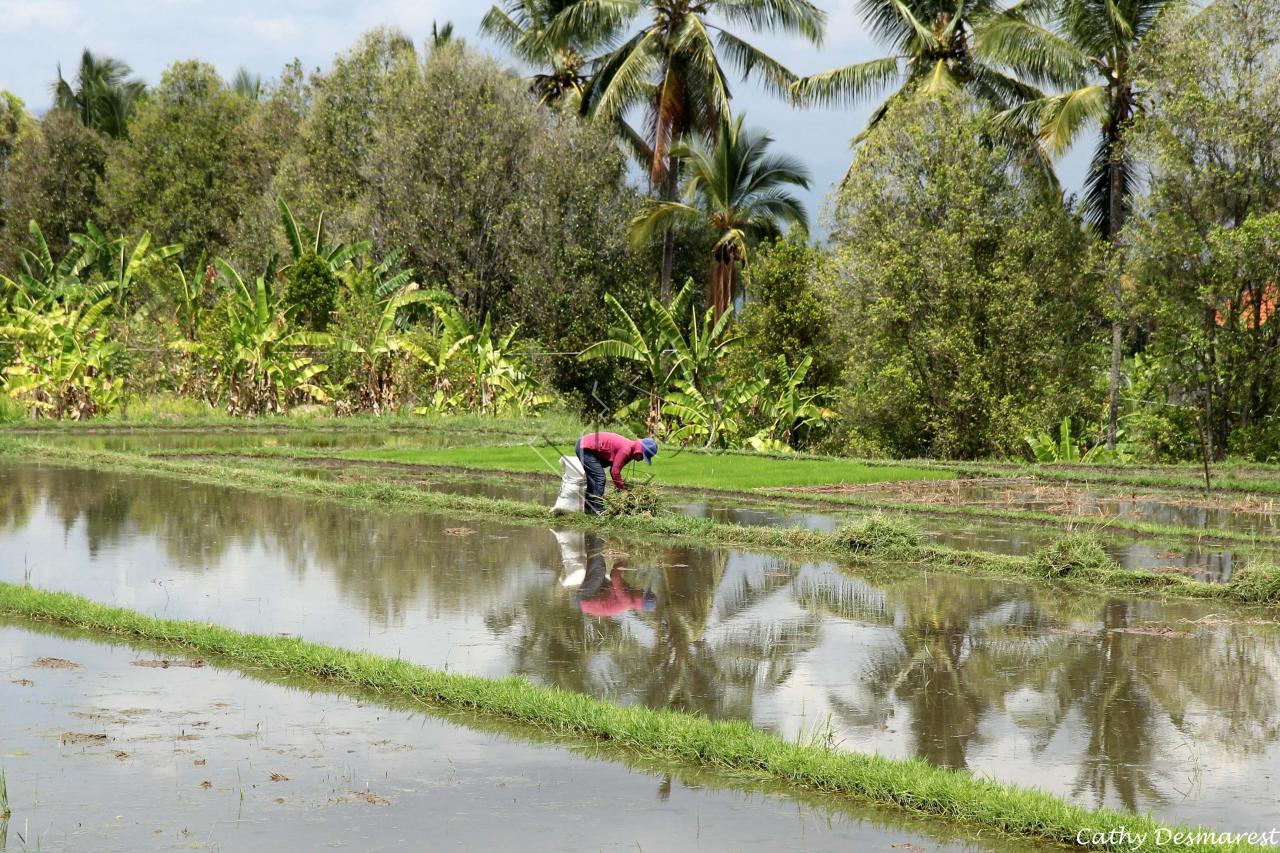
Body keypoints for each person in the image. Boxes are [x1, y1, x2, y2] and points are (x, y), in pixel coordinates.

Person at [575, 431, 657, 515]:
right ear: (640, 451)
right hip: (585, 448)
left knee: (593, 480)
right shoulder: (626, 450)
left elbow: (613, 470)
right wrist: (623, 490)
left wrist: (622, 487)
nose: (642, 459)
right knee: (600, 478)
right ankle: (600, 511)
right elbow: (615, 472)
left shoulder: (630, 451)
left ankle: (588, 510)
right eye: (643, 456)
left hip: (586, 447)